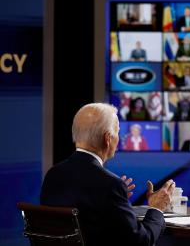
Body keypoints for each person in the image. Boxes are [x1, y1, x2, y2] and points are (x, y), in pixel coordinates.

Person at [41, 103, 175, 246]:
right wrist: (156, 208)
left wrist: (115, 202)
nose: (119, 138)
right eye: (117, 132)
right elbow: (141, 242)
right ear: (108, 138)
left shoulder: (53, 175)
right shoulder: (110, 185)